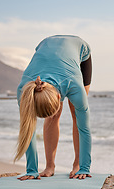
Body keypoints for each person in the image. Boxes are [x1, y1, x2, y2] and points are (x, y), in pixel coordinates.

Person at [15, 35, 92, 181]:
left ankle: (77, 164)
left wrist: (84, 167)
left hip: (78, 51)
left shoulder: (73, 84)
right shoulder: (24, 91)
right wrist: (31, 170)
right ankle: (49, 166)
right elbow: (27, 128)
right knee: (53, 116)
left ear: (58, 98)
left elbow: (85, 128)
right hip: (45, 46)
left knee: (77, 113)